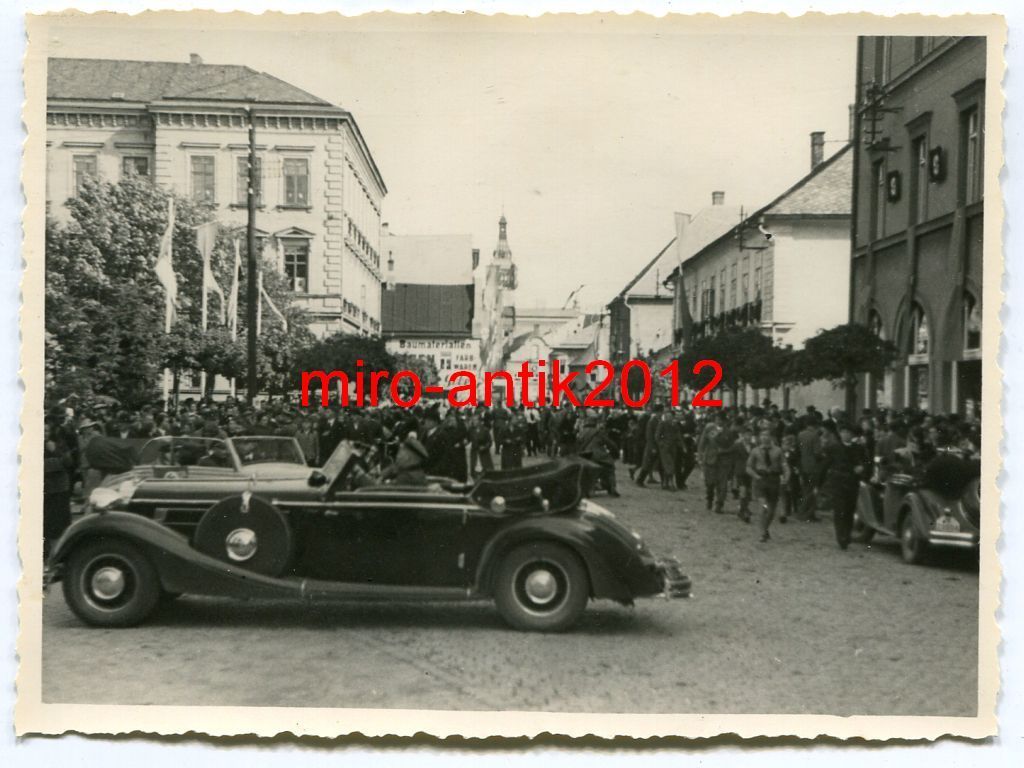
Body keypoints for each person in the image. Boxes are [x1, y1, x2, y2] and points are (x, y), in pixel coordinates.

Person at [818, 422, 868, 550]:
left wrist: (862, 470)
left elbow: (866, 463)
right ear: (840, 434)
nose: (846, 435)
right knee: (839, 510)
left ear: (852, 435)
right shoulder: (833, 448)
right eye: (843, 432)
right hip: (838, 482)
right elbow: (824, 466)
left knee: (850, 510)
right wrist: (819, 483)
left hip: (852, 483)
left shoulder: (859, 449)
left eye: (848, 433)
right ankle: (842, 537)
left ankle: (847, 533)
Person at [747, 429, 788, 542]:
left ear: (771, 437)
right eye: (762, 435)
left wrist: (786, 477)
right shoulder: (755, 451)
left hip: (773, 480)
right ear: (759, 437)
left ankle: (765, 529)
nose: (764, 437)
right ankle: (762, 532)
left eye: (767, 435)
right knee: (763, 506)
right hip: (760, 480)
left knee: (771, 510)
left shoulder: (778, 451)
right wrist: (755, 475)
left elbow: (785, 466)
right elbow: (748, 467)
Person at [577, 412, 620, 497]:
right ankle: (612, 487)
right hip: (600, 456)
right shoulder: (599, 432)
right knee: (610, 468)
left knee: (586, 472)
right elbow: (610, 444)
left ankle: (589, 489)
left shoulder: (581, 433)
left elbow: (578, 444)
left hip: (586, 456)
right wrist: (615, 453)